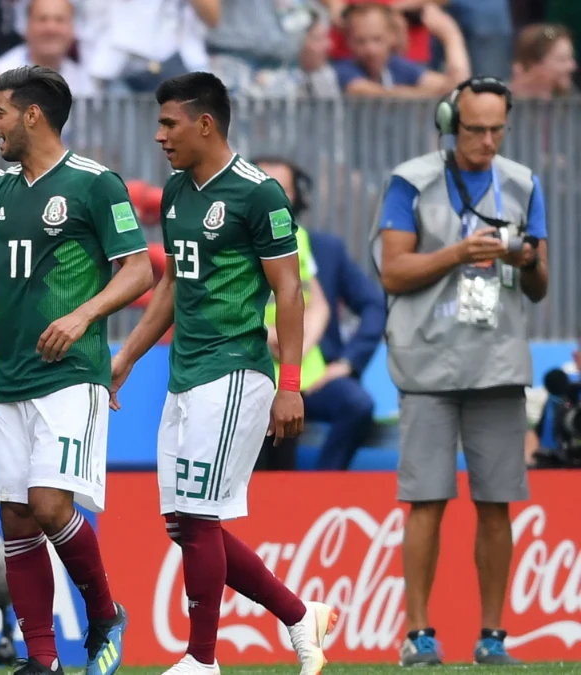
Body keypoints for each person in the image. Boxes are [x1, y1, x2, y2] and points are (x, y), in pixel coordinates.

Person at [0, 65, 151, 675]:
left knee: (49, 505)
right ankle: (41, 660)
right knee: (15, 517)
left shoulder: (95, 184)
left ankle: (104, 612)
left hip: (71, 374)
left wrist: (83, 316)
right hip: (11, 377)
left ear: (32, 115)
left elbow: (138, 271)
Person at [110, 72, 336, 675]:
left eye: (168, 123)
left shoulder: (260, 194)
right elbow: (171, 287)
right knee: (183, 521)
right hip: (185, 373)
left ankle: (201, 659)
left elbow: (290, 293)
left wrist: (290, 387)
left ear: (204, 123)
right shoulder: (180, 190)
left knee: (200, 516)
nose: (159, 135)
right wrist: (127, 357)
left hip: (236, 371)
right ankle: (298, 614)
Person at [371, 76, 548, 667]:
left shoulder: (524, 183)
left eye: (499, 129)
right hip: (426, 362)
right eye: (476, 129)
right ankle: (418, 633)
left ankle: (492, 636)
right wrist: (458, 252)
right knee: (427, 499)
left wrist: (524, 258)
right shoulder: (411, 180)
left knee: (498, 500)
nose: (488, 142)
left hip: (498, 361)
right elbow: (392, 272)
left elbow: (540, 285)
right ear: (450, 122)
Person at [256, 158, 384, 470]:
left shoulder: (321, 248)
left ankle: (324, 487)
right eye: (262, 187)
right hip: (256, 373)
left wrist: (347, 363)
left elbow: (373, 305)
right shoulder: (232, 247)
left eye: (281, 189)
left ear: (297, 196)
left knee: (357, 404)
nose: (271, 197)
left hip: (312, 375)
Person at [334, 2, 468, 98]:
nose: (370, 49)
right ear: (348, 41)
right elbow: (373, 94)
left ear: (392, 37)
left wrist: (451, 37)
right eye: (360, 41)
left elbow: (454, 87)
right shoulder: (342, 70)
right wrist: (431, 94)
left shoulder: (395, 66)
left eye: (377, 39)